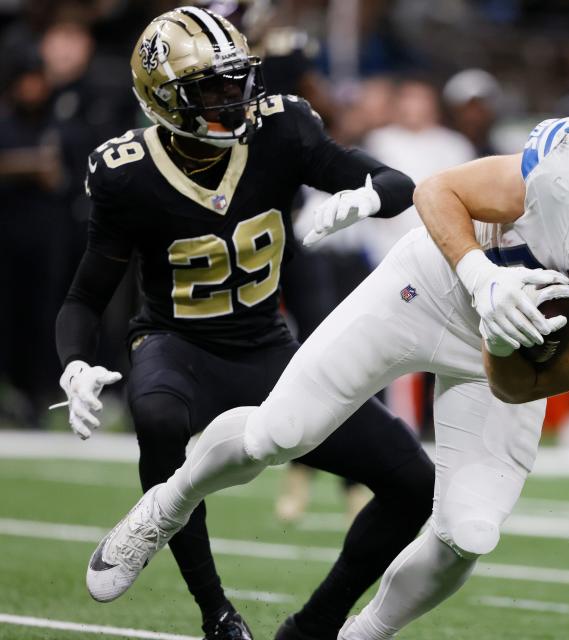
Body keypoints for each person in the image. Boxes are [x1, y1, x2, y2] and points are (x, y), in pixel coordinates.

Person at [85, 111, 569, 637]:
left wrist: (502, 331)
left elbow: (520, 387)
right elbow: (440, 191)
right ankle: (164, 507)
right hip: (433, 285)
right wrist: (484, 281)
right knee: (276, 436)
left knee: (470, 533)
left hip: (506, 351)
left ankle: (362, 634)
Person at [54, 7, 434, 640]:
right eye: (213, 87)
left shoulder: (282, 131)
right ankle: (217, 614)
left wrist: (368, 196)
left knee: (413, 481)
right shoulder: (128, 173)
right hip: (178, 346)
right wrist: (72, 362)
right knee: (156, 417)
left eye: (239, 80)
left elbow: (395, 180)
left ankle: (314, 625)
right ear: (164, 99)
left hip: (269, 349)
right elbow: (86, 294)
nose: (234, 99)